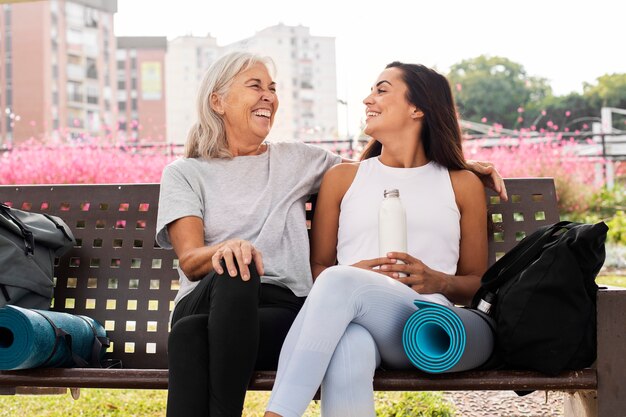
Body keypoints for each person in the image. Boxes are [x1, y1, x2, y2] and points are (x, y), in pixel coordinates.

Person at [156, 51, 505, 417]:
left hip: (294, 310)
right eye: (255, 86)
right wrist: (228, 249)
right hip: (217, 296)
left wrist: (457, 164)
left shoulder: (298, 160)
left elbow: (398, 170)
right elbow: (191, 259)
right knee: (235, 278)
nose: (269, 96)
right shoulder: (185, 173)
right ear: (218, 101)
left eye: (272, 88)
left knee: (191, 335)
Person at [265, 62, 488, 417]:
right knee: (347, 347)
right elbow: (319, 268)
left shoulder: (461, 184)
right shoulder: (343, 179)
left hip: (421, 325)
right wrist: (356, 275)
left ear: (418, 108)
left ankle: (277, 414)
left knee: (340, 280)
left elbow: (477, 282)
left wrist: (437, 279)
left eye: (382, 90)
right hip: (353, 321)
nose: (368, 99)